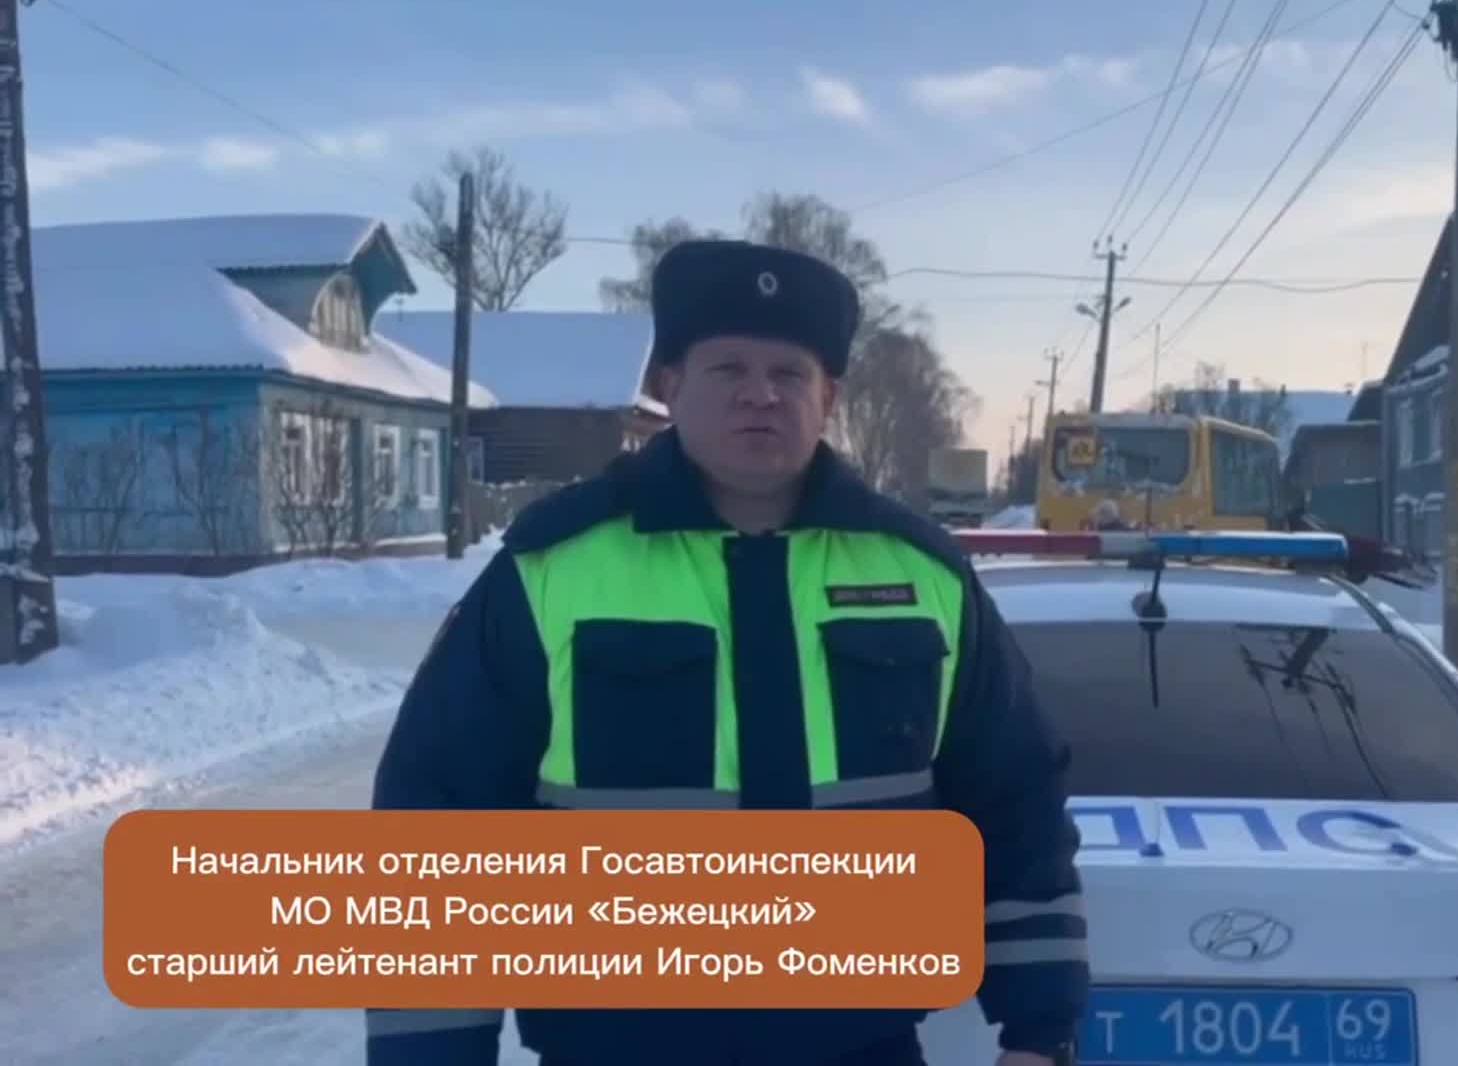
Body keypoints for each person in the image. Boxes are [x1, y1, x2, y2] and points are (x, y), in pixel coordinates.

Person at [365, 239, 1088, 1066]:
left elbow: (1016, 799)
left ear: (828, 397)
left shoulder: (922, 575)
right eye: (729, 369)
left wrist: (1041, 1033)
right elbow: (439, 832)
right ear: (671, 386)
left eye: (789, 373)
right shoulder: (551, 571)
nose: (760, 394)